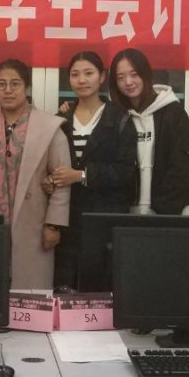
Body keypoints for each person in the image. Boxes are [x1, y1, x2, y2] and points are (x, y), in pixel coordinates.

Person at [0, 58, 71, 289]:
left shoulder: (49, 127)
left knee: (30, 291)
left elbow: (61, 180)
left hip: (34, 221)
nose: (8, 90)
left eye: (15, 84)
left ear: (26, 87)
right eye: (1, 84)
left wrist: (53, 224)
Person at [47, 51, 137, 290]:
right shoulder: (61, 119)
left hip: (106, 216)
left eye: (89, 73)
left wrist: (81, 175)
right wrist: (49, 179)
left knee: (101, 286)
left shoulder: (120, 119)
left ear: (102, 77)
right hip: (67, 216)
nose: (82, 80)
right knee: (65, 286)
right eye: (75, 74)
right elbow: (49, 164)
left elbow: (126, 172)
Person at [109, 48, 189, 215]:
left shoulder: (171, 111)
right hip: (126, 214)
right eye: (120, 77)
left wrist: (161, 208)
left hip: (167, 213)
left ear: (145, 74)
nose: (128, 82)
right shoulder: (117, 116)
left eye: (134, 74)